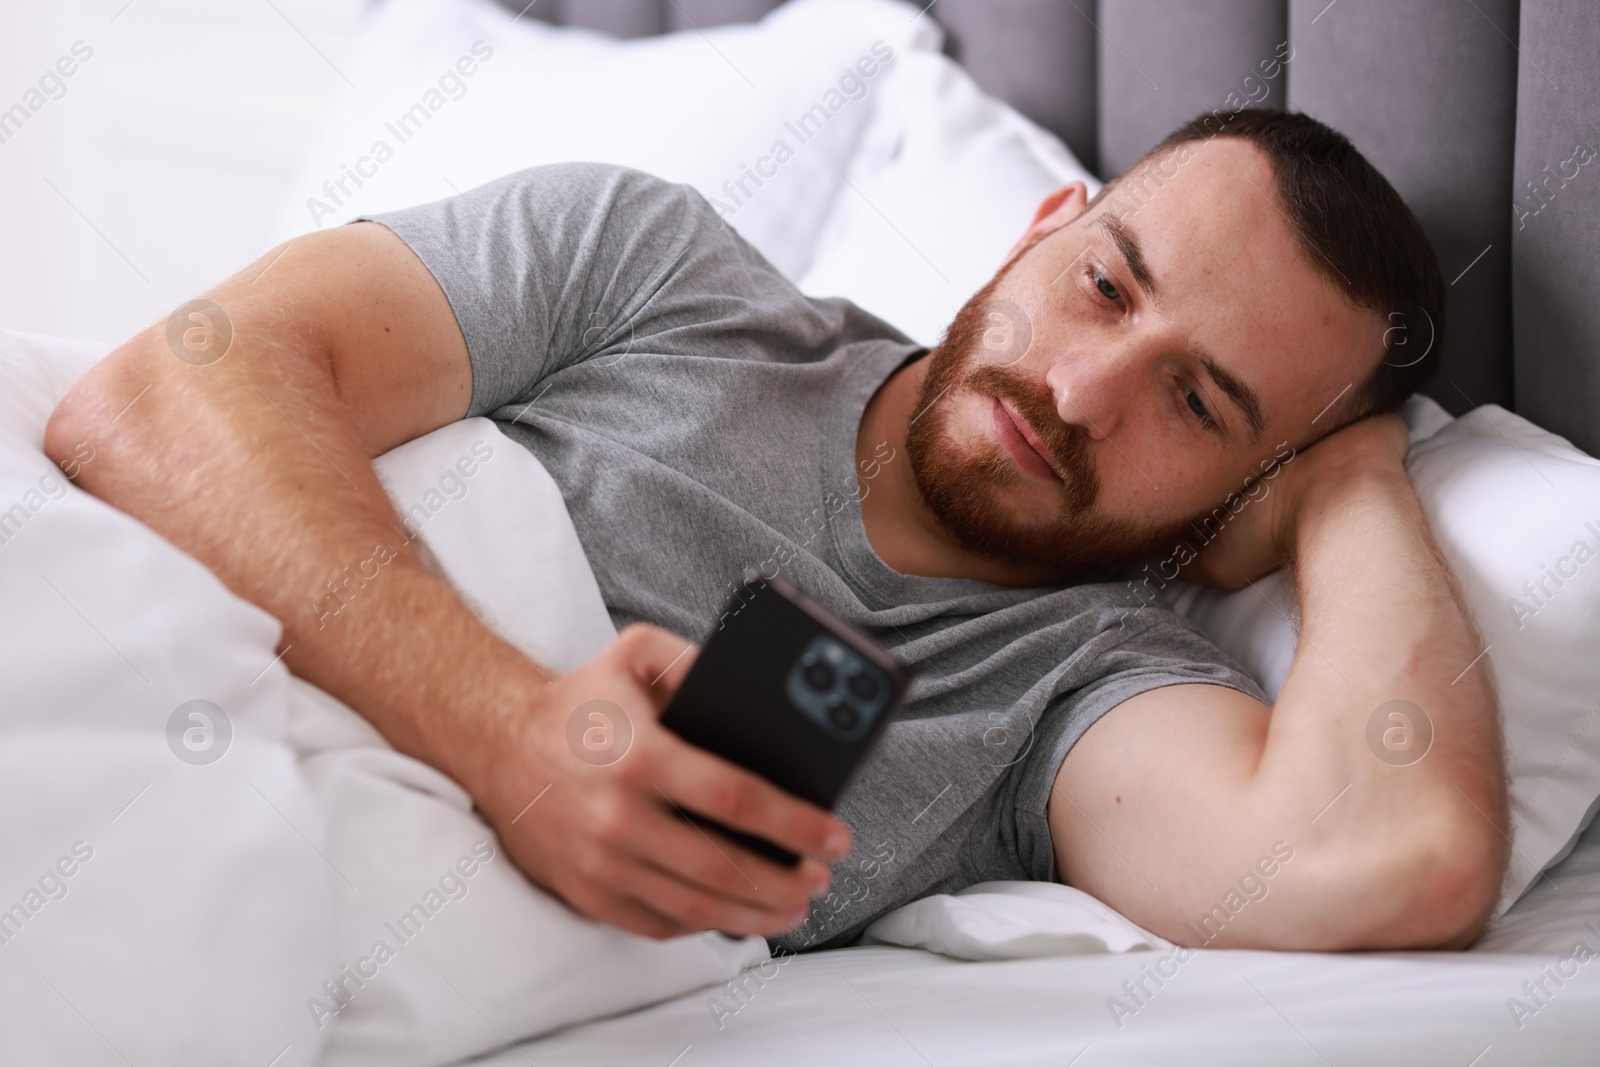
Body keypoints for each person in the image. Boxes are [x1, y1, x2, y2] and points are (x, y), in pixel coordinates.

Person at [46, 109, 1505, 954]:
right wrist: (510, 735)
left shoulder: (1071, 686)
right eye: (1107, 287)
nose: (1076, 392)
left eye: (1196, 403)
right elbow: (170, 385)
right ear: (1036, 229)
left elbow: (1402, 854)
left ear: (1249, 489)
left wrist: (1356, 485)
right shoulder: (654, 271)